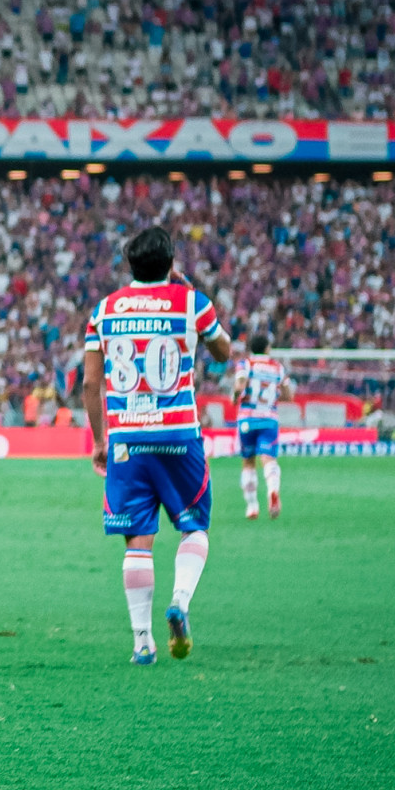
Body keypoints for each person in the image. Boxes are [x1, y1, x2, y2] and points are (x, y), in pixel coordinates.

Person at [80, 226, 233, 666]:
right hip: (178, 435)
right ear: (171, 263)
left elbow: (92, 382)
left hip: (127, 439)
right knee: (194, 528)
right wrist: (188, 293)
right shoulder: (191, 302)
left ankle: (142, 641)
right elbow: (224, 351)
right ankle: (180, 603)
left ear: (129, 266)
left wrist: (99, 439)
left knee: (137, 542)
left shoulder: (104, 310)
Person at [229, 332, 291, 519]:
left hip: (247, 418)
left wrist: (234, 398)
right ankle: (272, 493)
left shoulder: (246, 364)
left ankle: (252, 506)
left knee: (248, 462)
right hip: (269, 419)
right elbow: (288, 393)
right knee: (269, 460)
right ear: (267, 348)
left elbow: (240, 386)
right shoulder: (277, 367)